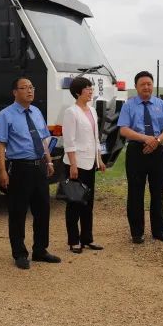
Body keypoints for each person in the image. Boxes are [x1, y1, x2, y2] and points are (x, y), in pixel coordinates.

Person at [0, 77, 61, 269]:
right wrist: (1, 171)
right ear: (15, 92)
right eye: (24, 88)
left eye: (32, 87)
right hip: (19, 167)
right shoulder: (5, 115)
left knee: (43, 209)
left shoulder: (37, 112)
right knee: (18, 211)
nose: (30, 91)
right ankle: (19, 253)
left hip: (39, 165)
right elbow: (1, 145)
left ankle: (40, 250)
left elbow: (42, 139)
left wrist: (48, 160)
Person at [118, 70, 163, 243]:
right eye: (142, 84)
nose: (146, 87)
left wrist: (156, 140)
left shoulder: (161, 104)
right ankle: (137, 232)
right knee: (136, 192)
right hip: (137, 151)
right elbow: (124, 129)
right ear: (136, 86)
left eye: (149, 84)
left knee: (157, 192)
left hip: (158, 151)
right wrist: (146, 138)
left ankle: (159, 231)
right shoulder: (129, 105)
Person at [61, 76, 106, 253]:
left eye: (91, 88)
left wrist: (99, 159)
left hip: (90, 163)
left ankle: (87, 238)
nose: (91, 91)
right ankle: (74, 240)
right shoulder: (71, 112)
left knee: (88, 203)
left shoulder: (92, 110)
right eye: (87, 88)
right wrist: (72, 165)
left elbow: (95, 138)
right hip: (76, 164)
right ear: (78, 92)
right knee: (75, 202)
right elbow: (69, 141)